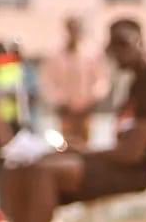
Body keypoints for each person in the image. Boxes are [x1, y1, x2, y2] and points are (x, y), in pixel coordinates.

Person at [2, 18, 146, 222]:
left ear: (137, 44)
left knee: (43, 172)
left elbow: (131, 153)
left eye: (119, 47)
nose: (113, 56)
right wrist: (79, 150)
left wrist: (84, 152)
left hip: (135, 175)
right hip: (117, 165)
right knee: (26, 167)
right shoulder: (137, 84)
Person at [41, 15, 110, 146]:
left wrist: (90, 100)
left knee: (85, 145)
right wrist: (62, 101)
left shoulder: (92, 52)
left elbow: (101, 79)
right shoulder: (55, 54)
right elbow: (48, 82)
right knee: (65, 145)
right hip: (65, 111)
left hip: (86, 110)